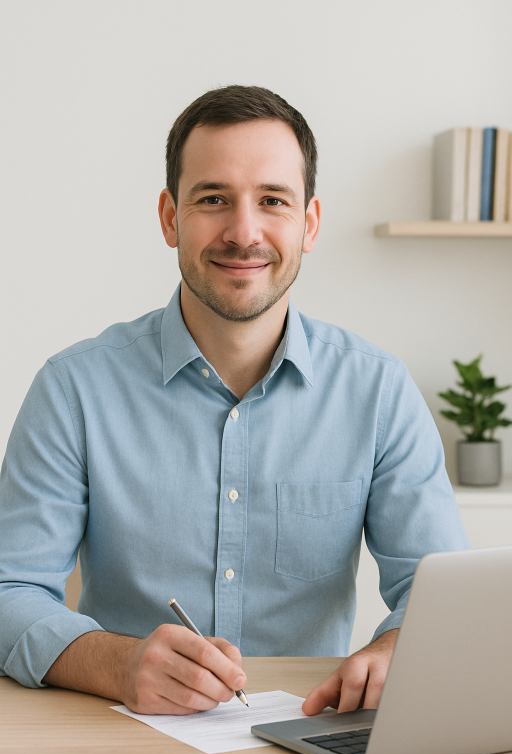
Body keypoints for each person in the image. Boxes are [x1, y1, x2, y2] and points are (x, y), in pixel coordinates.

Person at [0, 85, 468, 717]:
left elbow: (442, 598)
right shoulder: (73, 388)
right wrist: (120, 664)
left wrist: (394, 649)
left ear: (309, 222)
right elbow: (10, 591)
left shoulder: (379, 392)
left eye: (272, 200)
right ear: (169, 217)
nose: (243, 232)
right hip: (121, 733)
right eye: (213, 199)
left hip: (313, 735)